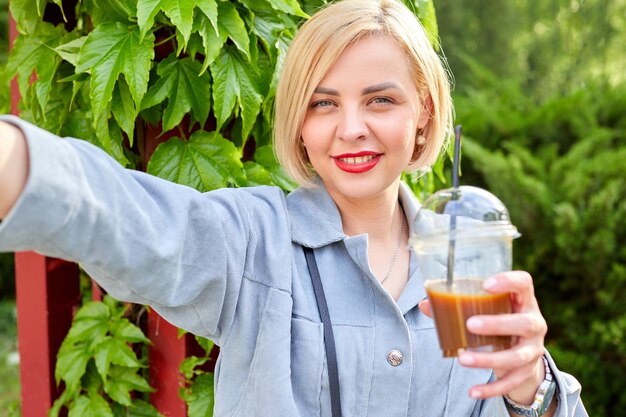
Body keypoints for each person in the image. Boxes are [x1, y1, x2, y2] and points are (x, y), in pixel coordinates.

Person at [0, 0, 587, 416]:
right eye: (323, 103)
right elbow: (123, 215)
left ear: (425, 112)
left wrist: (531, 390)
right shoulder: (252, 242)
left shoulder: (467, 261)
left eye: (380, 99)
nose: (351, 129)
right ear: (300, 125)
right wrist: (15, 160)